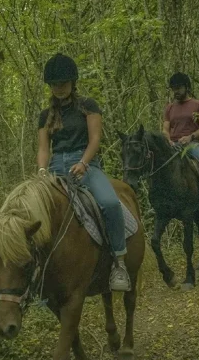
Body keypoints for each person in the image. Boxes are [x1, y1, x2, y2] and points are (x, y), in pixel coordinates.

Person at [37, 53, 131, 292]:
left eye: (63, 84)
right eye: (55, 85)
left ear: (72, 82)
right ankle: (39, 273)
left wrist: (84, 163)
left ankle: (119, 263)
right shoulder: (44, 116)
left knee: (110, 203)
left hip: (85, 164)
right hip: (56, 166)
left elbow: (95, 139)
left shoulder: (88, 106)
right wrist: (41, 171)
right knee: (33, 213)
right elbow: (43, 148)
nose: (59, 89)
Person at [162, 72, 199, 211]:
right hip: (173, 145)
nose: (176, 91)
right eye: (174, 89)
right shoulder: (169, 108)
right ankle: (161, 200)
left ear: (187, 87)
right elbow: (165, 128)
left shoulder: (198, 105)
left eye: (179, 88)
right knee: (158, 164)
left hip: (191, 144)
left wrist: (191, 137)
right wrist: (168, 140)